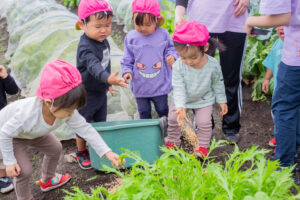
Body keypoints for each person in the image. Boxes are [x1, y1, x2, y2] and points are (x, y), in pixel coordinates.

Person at [0, 60, 125, 200]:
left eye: (74, 109)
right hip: (12, 135)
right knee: (24, 171)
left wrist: (106, 152)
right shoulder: (26, 115)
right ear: (49, 103)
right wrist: (9, 162)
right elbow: (4, 133)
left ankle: (47, 180)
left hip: (32, 132)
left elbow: (86, 129)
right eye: (68, 111)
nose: (72, 114)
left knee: (55, 148)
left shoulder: (66, 109)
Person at [175, 0, 250, 143]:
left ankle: (231, 127)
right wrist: (179, 13)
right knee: (197, 77)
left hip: (234, 17)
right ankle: (204, 126)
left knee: (231, 78)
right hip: (200, 20)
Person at [245, 0, 300, 182]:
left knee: (285, 109)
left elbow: (283, 16)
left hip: (296, 62)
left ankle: (284, 165)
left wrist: (250, 21)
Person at [75, 0, 128, 170]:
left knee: (100, 121)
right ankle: (81, 151)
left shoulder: (102, 40)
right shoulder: (86, 47)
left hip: (99, 91)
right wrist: (107, 79)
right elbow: (95, 67)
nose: (104, 30)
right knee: (83, 123)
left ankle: (98, 147)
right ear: (83, 25)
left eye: (108, 25)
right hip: (86, 93)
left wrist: (105, 85)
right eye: (98, 26)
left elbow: (104, 64)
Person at [165, 21, 228, 158]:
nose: (188, 61)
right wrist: (180, 106)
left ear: (205, 47)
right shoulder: (178, 66)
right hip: (182, 98)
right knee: (173, 118)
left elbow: (218, 82)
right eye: (183, 57)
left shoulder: (213, 65)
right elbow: (179, 87)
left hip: (203, 98)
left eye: (193, 57)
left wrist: (222, 100)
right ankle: (173, 142)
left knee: (204, 122)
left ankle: (202, 148)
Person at [121, 0, 178, 119]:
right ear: (133, 20)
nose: (143, 28)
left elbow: (171, 48)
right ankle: (147, 132)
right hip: (140, 85)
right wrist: (127, 71)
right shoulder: (131, 37)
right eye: (138, 24)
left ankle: (167, 129)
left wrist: (172, 56)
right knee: (144, 112)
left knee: (162, 108)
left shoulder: (163, 34)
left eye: (148, 24)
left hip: (160, 84)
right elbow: (127, 58)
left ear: (156, 21)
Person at [0, 64, 19, 194]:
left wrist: (5, 76)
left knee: (3, 144)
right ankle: (2, 176)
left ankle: (4, 173)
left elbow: (13, 90)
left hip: (2, 115)